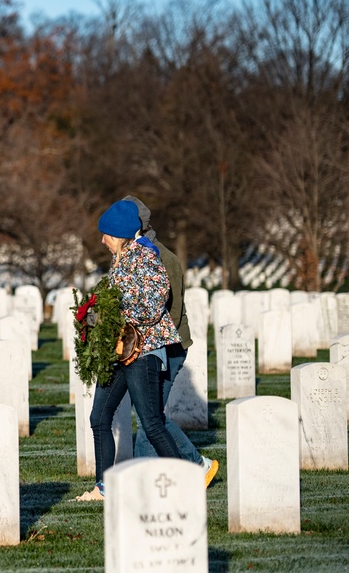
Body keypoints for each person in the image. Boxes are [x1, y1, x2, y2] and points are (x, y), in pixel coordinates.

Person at [77, 199, 183, 501]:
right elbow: (114, 300)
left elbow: (153, 304)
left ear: (121, 233)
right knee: (99, 417)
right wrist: (92, 315)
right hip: (118, 352)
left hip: (143, 352)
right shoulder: (121, 258)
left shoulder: (147, 258)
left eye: (106, 234)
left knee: (151, 423)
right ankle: (104, 487)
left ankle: (182, 481)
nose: (102, 240)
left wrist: (115, 311)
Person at [123, 196, 219, 487]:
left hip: (167, 348)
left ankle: (193, 465)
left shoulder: (163, 258)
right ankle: (182, 468)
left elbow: (171, 313)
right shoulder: (132, 255)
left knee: (150, 417)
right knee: (149, 415)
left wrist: (148, 348)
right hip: (149, 348)